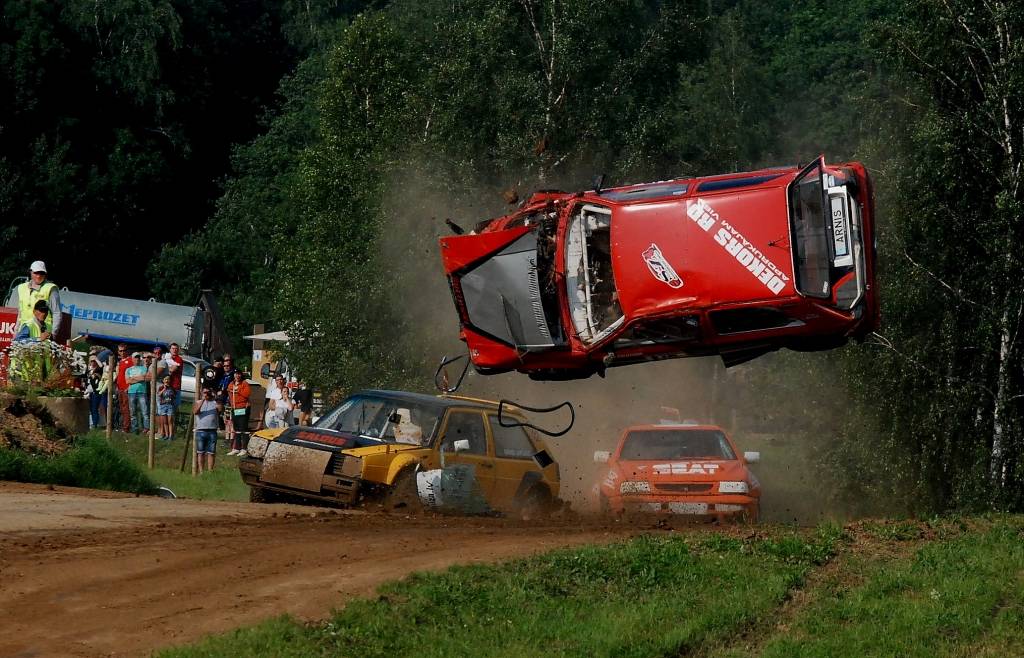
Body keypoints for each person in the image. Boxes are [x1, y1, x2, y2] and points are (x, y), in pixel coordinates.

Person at [11, 260, 61, 339]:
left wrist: (53, 334)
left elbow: (57, 313)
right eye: (36, 273)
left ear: (45, 274)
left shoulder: (50, 289)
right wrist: (16, 331)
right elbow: (20, 313)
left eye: (42, 273)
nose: (39, 276)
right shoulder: (21, 288)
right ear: (30, 272)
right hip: (24, 331)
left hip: (43, 332)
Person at [12, 300, 54, 382]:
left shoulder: (48, 327)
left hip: (40, 373)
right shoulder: (29, 325)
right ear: (34, 311)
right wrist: (38, 339)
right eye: (41, 311)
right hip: (24, 372)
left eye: (45, 311)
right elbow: (17, 342)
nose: (44, 313)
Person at [193, 387, 223, 473]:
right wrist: (203, 400)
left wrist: (216, 398)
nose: (206, 394)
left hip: (212, 431)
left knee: (211, 452)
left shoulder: (215, 403)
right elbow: (195, 412)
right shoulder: (198, 402)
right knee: (200, 452)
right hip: (201, 430)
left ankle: (210, 471)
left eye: (208, 392)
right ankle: (201, 471)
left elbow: (220, 409)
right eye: (204, 392)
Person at [225, 369, 251, 456]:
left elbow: (247, 394)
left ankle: (244, 448)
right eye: (236, 374)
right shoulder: (231, 384)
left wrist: (238, 390)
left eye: (239, 374)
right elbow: (228, 391)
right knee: (236, 429)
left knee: (243, 428)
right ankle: (236, 448)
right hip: (234, 408)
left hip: (243, 408)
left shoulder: (244, 383)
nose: (237, 376)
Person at [125, 352, 150, 434]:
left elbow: (145, 378)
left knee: (144, 411)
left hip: (142, 391)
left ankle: (146, 428)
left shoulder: (144, 368)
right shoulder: (128, 370)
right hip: (131, 392)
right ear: (132, 359)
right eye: (135, 357)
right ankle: (134, 429)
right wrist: (139, 378)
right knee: (133, 412)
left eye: (138, 357)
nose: (137, 359)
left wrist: (133, 379)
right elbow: (127, 381)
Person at [163, 342, 184, 436]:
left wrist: (168, 367)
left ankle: (173, 431)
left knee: (174, 410)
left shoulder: (179, 359)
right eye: (173, 348)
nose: (174, 350)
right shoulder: (167, 358)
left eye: (176, 348)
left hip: (175, 387)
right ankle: (166, 432)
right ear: (170, 349)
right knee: (165, 410)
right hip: (166, 387)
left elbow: (172, 370)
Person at [115, 343, 133, 433]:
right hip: (120, 388)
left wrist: (129, 386)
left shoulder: (130, 360)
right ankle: (123, 425)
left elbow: (133, 374)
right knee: (122, 408)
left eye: (124, 350)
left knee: (126, 408)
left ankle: (126, 428)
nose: (122, 352)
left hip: (126, 388)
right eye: (120, 351)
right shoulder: (120, 362)